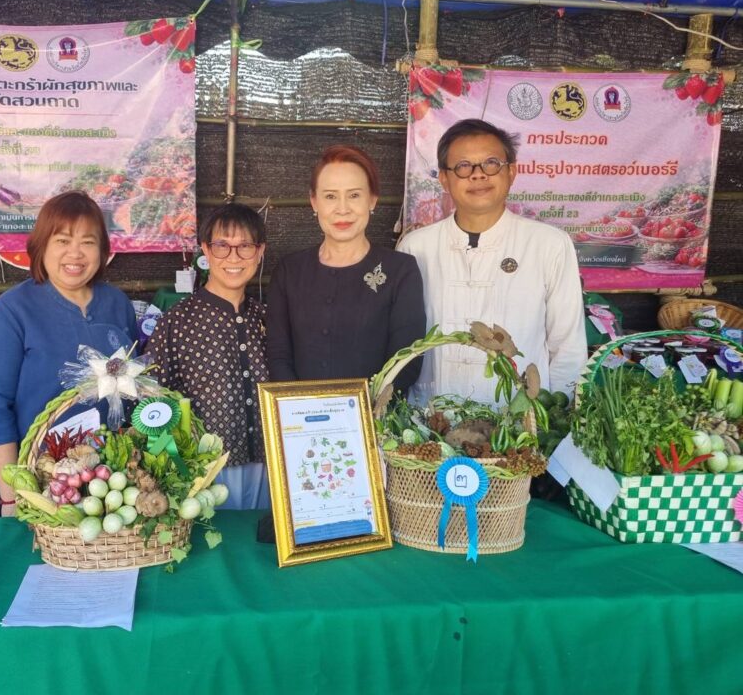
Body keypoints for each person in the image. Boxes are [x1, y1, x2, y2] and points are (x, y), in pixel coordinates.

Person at [397, 118, 587, 402]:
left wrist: (556, 415)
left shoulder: (549, 244)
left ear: (511, 171)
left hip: (519, 420)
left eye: (491, 163)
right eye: (463, 166)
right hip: (430, 416)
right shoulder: (416, 247)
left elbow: (568, 348)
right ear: (444, 178)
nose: (478, 175)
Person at [0, 191, 137, 516]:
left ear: (102, 250)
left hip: (113, 482)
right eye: (62, 240)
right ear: (42, 246)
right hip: (42, 482)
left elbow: (132, 387)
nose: (75, 253)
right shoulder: (13, 311)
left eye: (88, 242)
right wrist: (12, 497)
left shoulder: (117, 304)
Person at [266, 145, 425, 389]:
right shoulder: (289, 272)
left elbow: (406, 361)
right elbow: (278, 355)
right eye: (330, 196)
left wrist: (364, 407)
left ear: (372, 199)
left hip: (377, 412)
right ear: (314, 202)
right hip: (301, 411)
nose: (342, 209)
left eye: (354, 195)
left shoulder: (400, 271)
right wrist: (301, 405)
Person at [147, 204, 271, 509]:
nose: (233, 257)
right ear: (205, 249)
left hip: (270, 465)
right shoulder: (177, 321)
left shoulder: (269, 318)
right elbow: (153, 401)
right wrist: (177, 470)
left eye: (245, 246)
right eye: (221, 246)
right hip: (205, 473)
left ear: (260, 252)